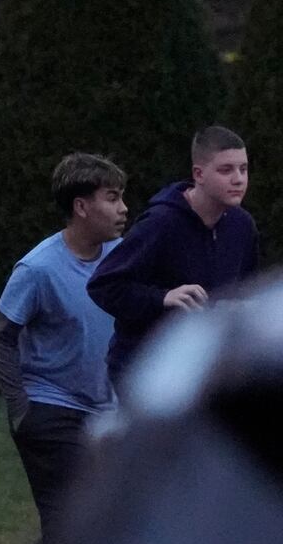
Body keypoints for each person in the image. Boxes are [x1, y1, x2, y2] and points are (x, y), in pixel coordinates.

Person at [0, 153, 128, 544]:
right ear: (81, 207)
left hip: (105, 410)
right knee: (73, 518)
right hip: (50, 408)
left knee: (97, 515)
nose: (124, 207)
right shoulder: (39, 269)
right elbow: (0, 336)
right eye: (112, 197)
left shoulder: (121, 257)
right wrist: (20, 407)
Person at [87, 126, 259, 386]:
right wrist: (162, 298)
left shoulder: (242, 226)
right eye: (226, 170)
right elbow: (104, 285)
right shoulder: (160, 223)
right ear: (198, 174)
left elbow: (246, 290)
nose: (238, 179)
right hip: (145, 368)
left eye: (243, 169)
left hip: (205, 369)